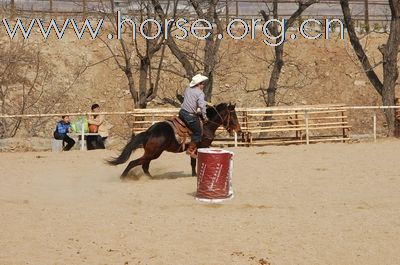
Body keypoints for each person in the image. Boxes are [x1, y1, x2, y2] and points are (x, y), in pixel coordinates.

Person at [179, 74, 209, 158]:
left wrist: (205, 102)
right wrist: (205, 116)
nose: (203, 85)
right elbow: (202, 106)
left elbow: (192, 99)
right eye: (202, 83)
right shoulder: (200, 93)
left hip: (182, 112)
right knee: (198, 132)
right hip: (190, 116)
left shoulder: (188, 89)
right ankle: (191, 150)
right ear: (198, 84)